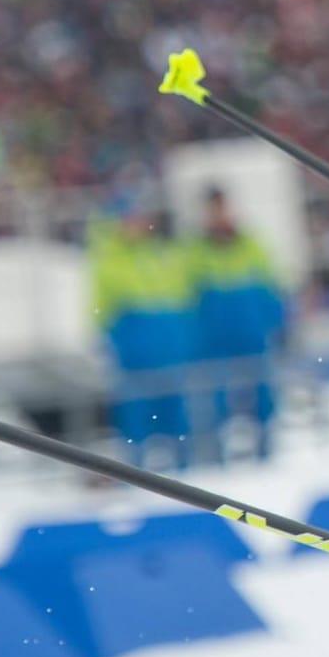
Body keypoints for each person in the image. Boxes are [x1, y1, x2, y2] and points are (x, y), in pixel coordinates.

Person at [89, 199, 200, 470]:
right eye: (131, 220)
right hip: (135, 357)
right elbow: (100, 313)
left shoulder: (161, 253)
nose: (137, 226)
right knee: (135, 420)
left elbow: (182, 297)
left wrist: (181, 339)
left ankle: (187, 471)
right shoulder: (109, 261)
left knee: (177, 418)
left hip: (168, 352)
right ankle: (135, 472)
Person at [191, 186, 289, 463]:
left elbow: (271, 286)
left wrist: (278, 323)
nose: (218, 215)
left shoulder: (250, 243)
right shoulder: (197, 250)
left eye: (221, 207)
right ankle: (218, 455)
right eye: (213, 209)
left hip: (252, 333)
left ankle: (266, 451)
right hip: (216, 337)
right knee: (217, 397)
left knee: (263, 394)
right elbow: (190, 297)